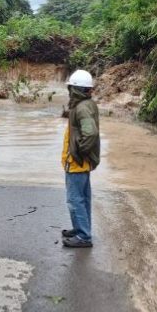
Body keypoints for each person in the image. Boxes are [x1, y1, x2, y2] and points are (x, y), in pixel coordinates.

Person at [60, 69, 100, 248]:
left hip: (77, 163)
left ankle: (84, 236)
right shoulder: (86, 104)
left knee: (75, 200)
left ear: (75, 90)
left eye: (70, 88)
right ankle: (81, 229)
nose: (69, 91)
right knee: (83, 198)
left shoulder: (82, 107)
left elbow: (90, 133)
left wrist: (79, 151)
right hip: (81, 162)